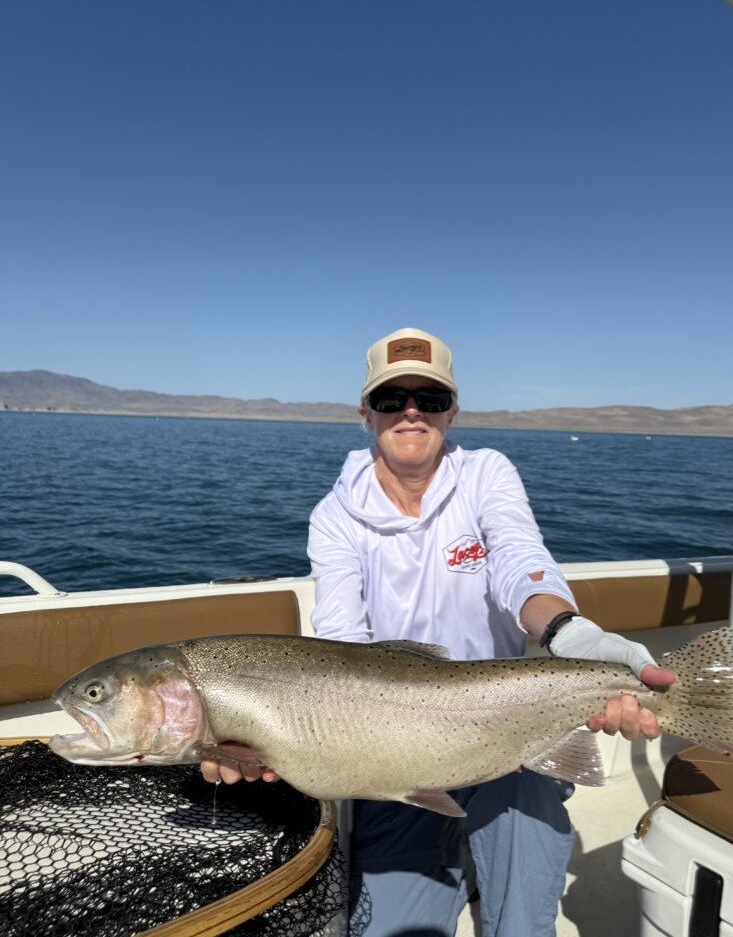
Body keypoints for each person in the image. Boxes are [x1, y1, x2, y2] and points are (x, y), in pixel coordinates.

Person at [202, 326, 675, 937]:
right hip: (393, 750)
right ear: (364, 415)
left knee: (525, 916)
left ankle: (492, 871)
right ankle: (459, 858)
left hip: (510, 732)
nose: (410, 412)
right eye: (391, 399)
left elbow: (519, 560)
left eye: (427, 397)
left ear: (452, 410)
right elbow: (342, 637)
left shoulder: (486, 474)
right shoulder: (334, 517)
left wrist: (566, 630)